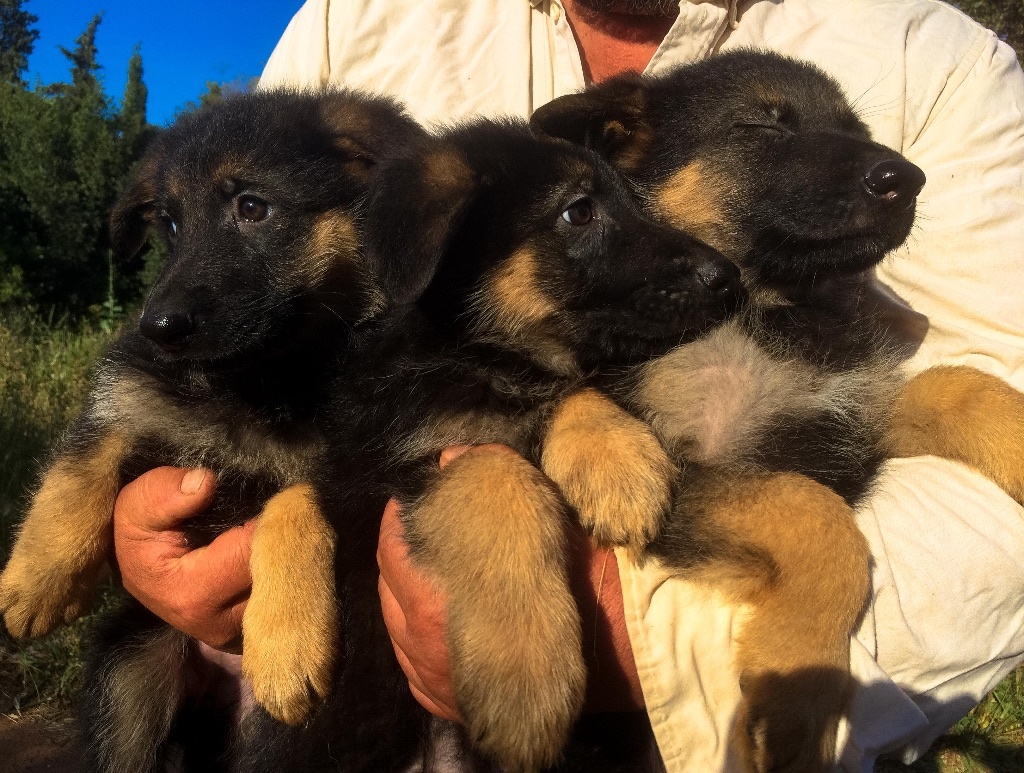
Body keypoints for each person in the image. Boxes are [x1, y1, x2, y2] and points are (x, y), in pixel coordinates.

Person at [112, 1, 1024, 770]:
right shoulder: (358, 21)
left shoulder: (930, 53)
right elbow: (261, 298)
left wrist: (641, 640)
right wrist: (150, 501)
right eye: (765, 132)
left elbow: (987, 418)